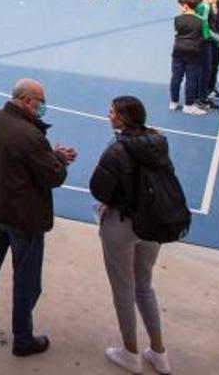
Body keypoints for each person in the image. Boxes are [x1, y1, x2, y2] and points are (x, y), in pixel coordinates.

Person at [0, 78, 76, 358]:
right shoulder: (31, 136)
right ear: (28, 101)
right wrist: (59, 160)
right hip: (22, 218)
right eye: (40, 102)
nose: (42, 107)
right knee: (26, 280)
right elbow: (51, 176)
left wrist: (49, 154)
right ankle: (23, 337)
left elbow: (14, 159)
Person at [88, 96, 174, 375]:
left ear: (122, 118)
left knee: (123, 289)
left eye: (112, 111)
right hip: (152, 224)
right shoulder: (158, 143)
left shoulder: (116, 149)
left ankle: (130, 353)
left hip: (122, 224)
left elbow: (99, 189)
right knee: (145, 286)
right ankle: (159, 352)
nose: (108, 115)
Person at [169, 0, 208, 116]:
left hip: (178, 51)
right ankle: (188, 105)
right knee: (191, 80)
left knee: (176, 77)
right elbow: (206, 36)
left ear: (185, 6)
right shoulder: (201, 20)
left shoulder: (177, 19)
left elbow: (178, 30)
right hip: (194, 53)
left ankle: (174, 102)